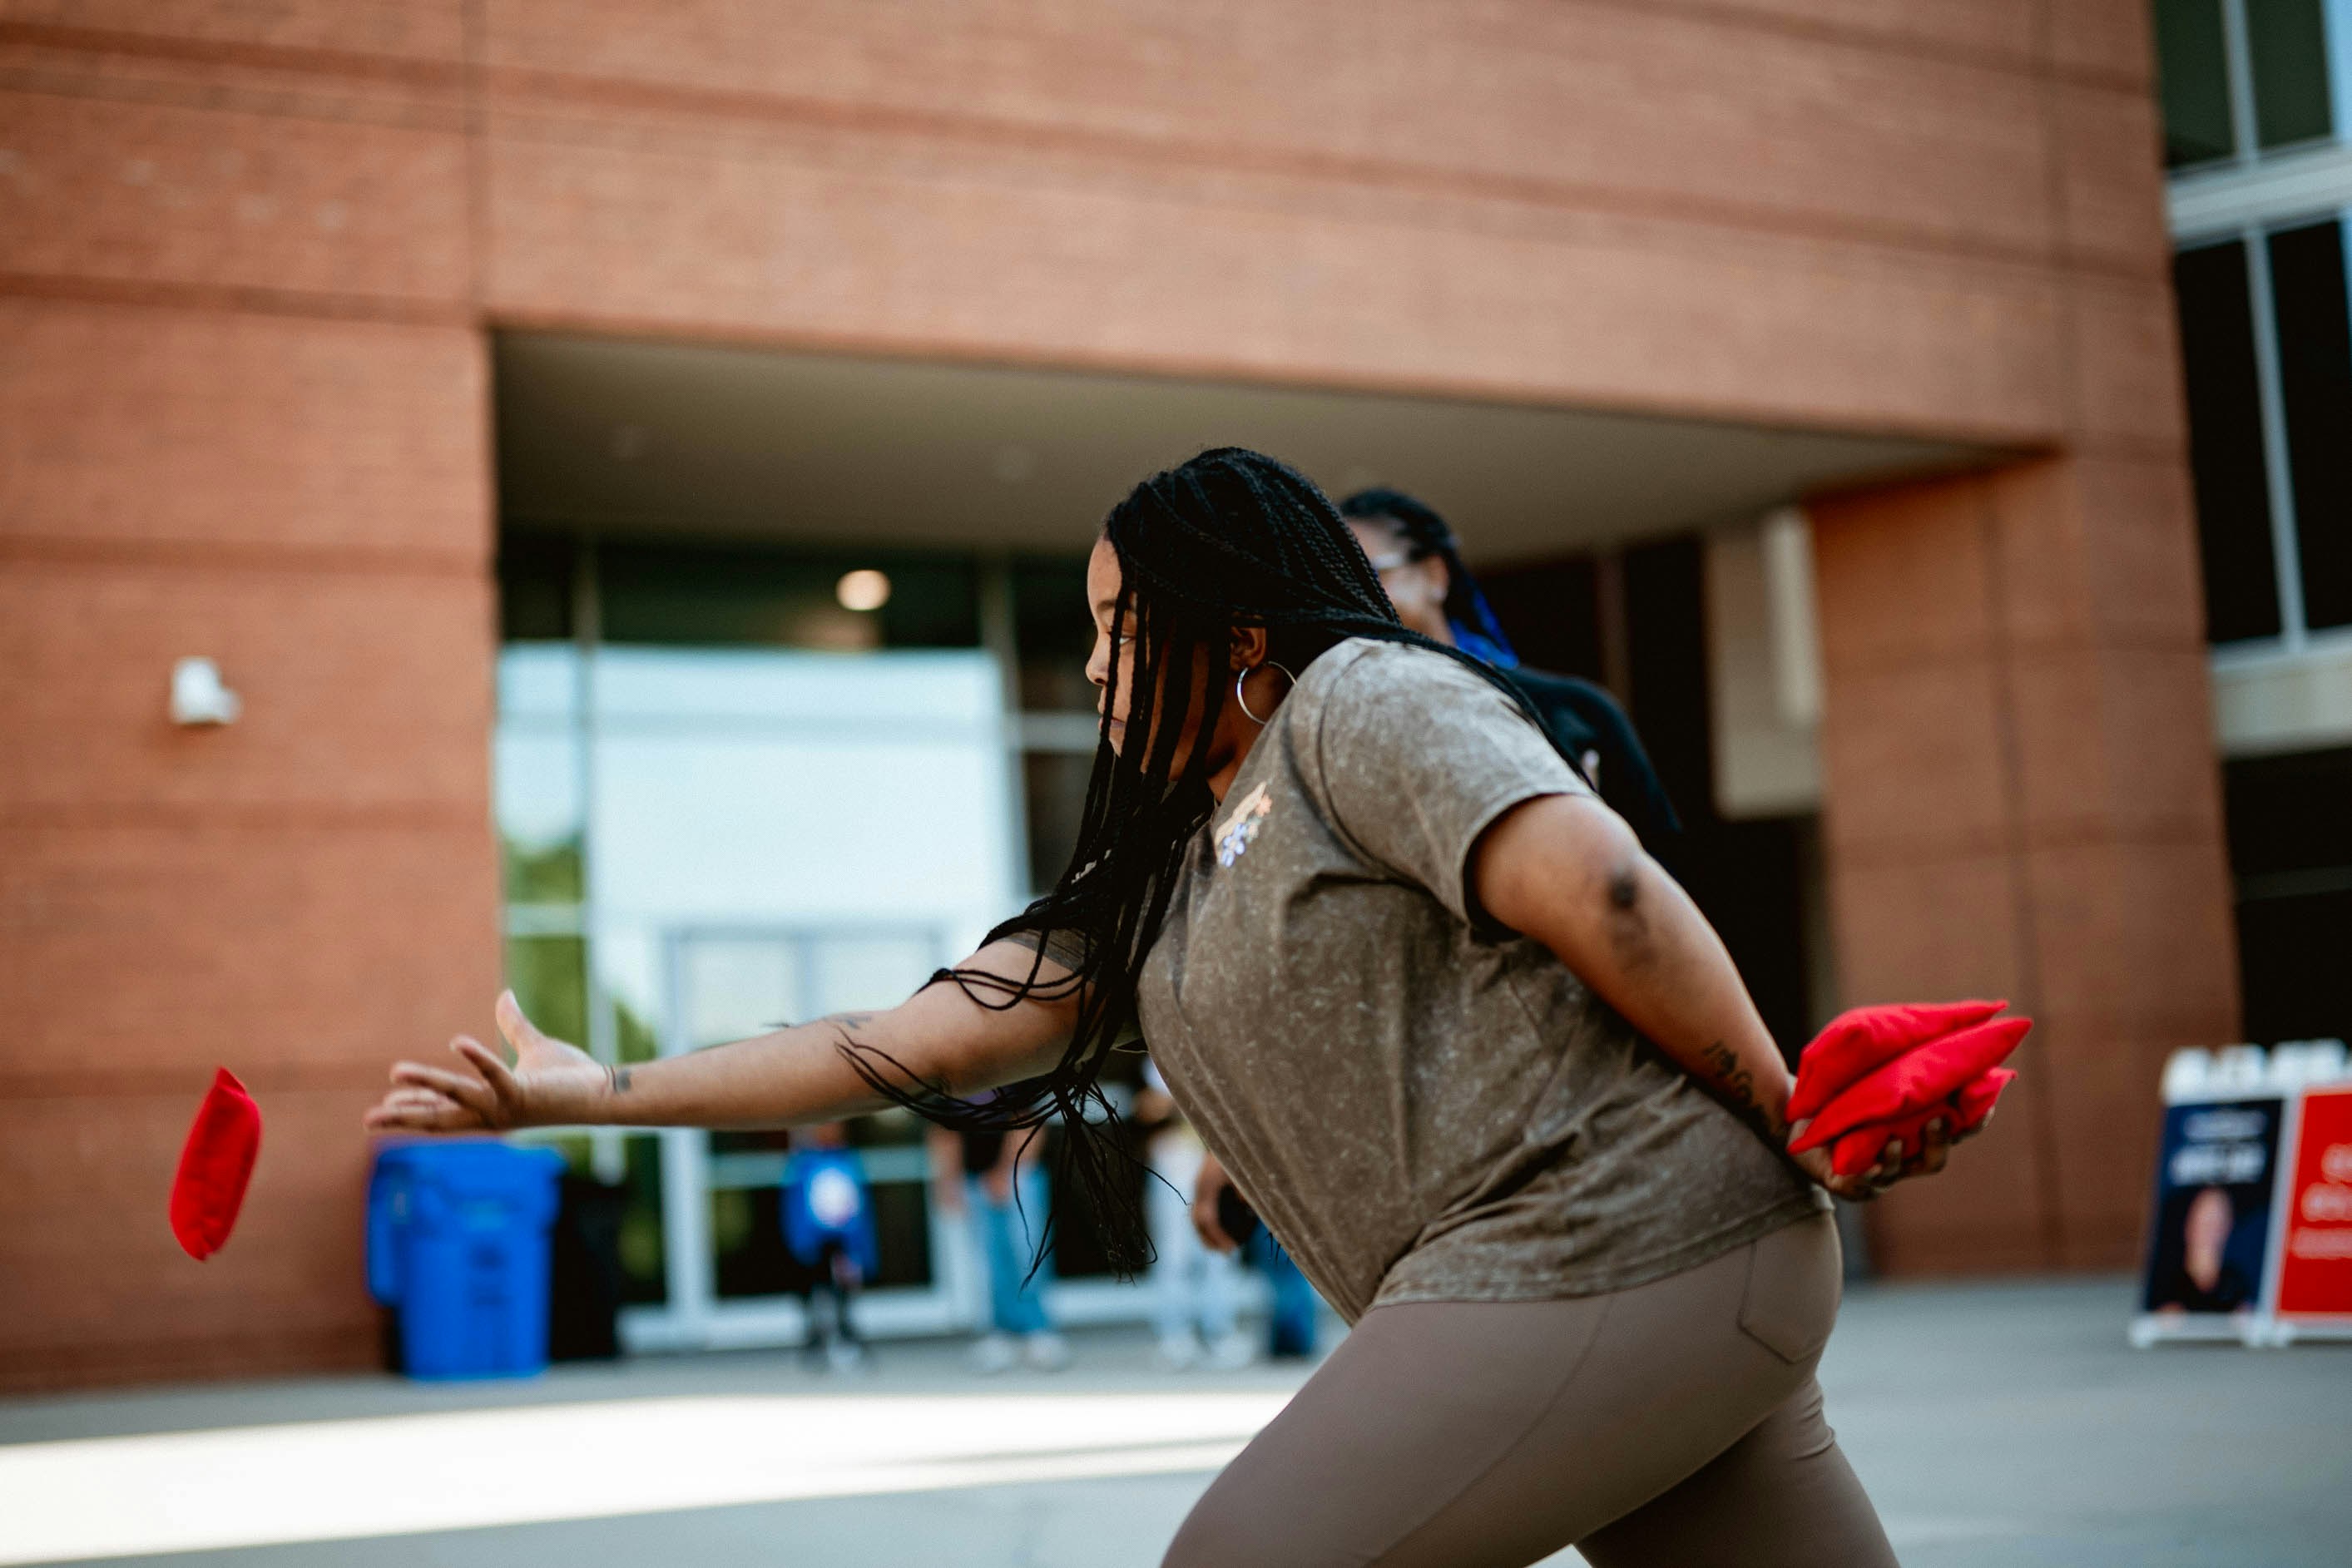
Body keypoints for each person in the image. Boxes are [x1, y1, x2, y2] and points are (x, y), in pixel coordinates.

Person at [369, 448, 1976, 1567]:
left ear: (1236, 633)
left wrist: (1795, 1117)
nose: (1087, 670)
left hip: (1615, 1242)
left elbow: (1608, 891)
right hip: (1667, 1291)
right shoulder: (1154, 889)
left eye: (1114, 628)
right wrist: (591, 1093)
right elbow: (895, 1042)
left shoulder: (1365, 700)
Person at [1337, 486, 1680, 853]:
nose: (1353, 601)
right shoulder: (1343, 733)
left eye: (1369, 576)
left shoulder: (1577, 713)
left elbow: (1663, 854)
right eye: (1337, 586)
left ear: (1435, 576)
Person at [925, 1111, 1071, 1373]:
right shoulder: (954, 1084)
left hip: (1019, 1173)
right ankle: (999, 1332)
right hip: (974, 1179)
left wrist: (1006, 1172)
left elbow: (1029, 1120)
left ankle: (1038, 1331)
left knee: (1027, 1254)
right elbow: (944, 1129)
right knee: (990, 1262)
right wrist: (948, 1180)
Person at [1135, 1061, 1249, 1368]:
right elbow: (1148, 1107)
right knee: (1173, 1254)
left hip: (1215, 1161)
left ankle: (1220, 1332)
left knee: (1220, 1248)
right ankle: (1174, 1335)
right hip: (1175, 1160)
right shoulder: (1163, 1055)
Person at [778, 1121, 875, 1372]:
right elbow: (795, 1206)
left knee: (843, 1291)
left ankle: (847, 1338)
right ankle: (816, 1342)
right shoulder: (803, 1163)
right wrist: (800, 1240)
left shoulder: (848, 1160)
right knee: (815, 1290)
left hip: (843, 1240)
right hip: (814, 1240)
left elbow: (859, 1203)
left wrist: (860, 1243)